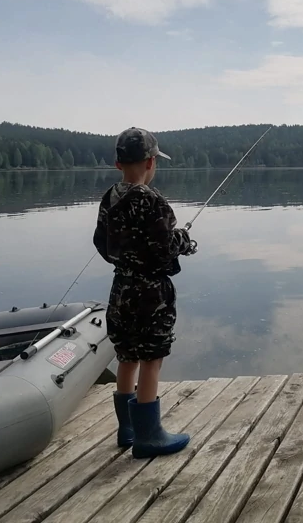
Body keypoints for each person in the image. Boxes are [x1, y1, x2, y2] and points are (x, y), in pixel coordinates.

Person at [93, 127, 197, 458]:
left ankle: (127, 429)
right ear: (151, 161)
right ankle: (149, 436)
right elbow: (165, 249)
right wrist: (184, 241)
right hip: (152, 294)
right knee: (152, 359)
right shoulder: (154, 202)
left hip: (120, 290)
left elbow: (101, 243)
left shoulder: (109, 198)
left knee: (127, 357)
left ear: (117, 164)